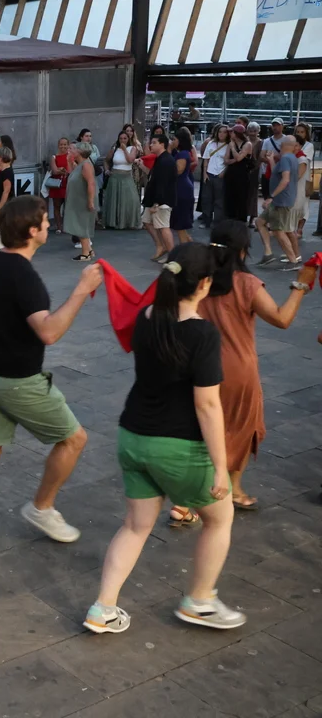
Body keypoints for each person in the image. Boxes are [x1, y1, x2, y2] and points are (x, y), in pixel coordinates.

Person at [84, 242, 245, 634]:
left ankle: (103, 608)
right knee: (220, 518)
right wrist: (220, 467)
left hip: (133, 437)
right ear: (204, 284)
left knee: (136, 525)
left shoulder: (148, 316)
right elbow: (208, 405)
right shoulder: (202, 334)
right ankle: (199, 600)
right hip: (177, 446)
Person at [0, 195, 102, 549]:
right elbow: (49, 332)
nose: (49, 224)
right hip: (17, 382)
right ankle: (42, 507)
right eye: (44, 221)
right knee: (74, 439)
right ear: (31, 231)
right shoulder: (24, 276)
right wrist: (81, 290)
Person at [161, 222, 314, 523]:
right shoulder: (247, 283)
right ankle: (233, 488)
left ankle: (183, 501)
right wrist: (300, 285)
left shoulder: (199, 280)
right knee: (243, 428)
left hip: (197, 366)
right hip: (238, 369)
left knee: (199, 429)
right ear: (243, 250)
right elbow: (282, 319)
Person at [256, 135, 301, 268]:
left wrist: (271, 196)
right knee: (260, 222)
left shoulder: (286, 158)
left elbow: (285, 179)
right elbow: (278, 173)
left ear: (282, 145)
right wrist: (271, 160)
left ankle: (293, 261)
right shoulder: (290, 158)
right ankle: (268, 253)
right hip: (281, 200)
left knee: (278, 231)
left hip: (281, 200)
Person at [141, 133, 177, 262]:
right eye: (151, 142)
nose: (151, 145)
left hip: (162, 201)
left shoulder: (166, 160)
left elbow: (163, 184)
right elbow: (154, 178)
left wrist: (157, 203)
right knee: (147, 221)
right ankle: (161, 246)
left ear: (162, 144)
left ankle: (172, 256)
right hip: (154, 199)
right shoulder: (160, 159)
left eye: (154, 143)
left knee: (163, 227)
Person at [63, 143, 97, 260]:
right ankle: (89, 250)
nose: (70, 150)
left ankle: (85, 253)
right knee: (79, 224)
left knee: (81, 225)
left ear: (80, 152)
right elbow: (71, 174)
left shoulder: (86, 165)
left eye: (74, 149)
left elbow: (91, 183)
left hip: (83, 199)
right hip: (77, 199)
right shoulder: (80, 165)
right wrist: (69, 161)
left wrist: (90, 201)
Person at [103, 131, 141, 231]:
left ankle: (127, 222)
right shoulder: (114, 149)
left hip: (126, 176)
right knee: (114, 200)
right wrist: (106, 170)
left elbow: (130, 160)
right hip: (115, 177)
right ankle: (113, 222)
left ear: (128, 139)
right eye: (121, 138)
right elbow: (106, 160)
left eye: (125, 138)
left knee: (131, 199)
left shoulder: (133, 148)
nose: (123, 140)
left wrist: (124, 150)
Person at [199, 125, 230, 228]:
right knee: (207, 199)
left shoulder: (229, 145)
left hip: (220, 174)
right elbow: (206, 159)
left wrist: (224, 172)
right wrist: (205, 173)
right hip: (209, 173)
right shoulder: (211, 143)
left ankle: (217, 222)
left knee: (219, 200)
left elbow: (228, 162)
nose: (222, 134)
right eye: (220, 132)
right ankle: (206, 221)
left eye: (224, 132)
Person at [224, 124, 254, 225]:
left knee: (242, 198)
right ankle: (230, 218)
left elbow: (239, 158)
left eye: (232, 132)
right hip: (231, 173)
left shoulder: (247, 144)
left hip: (242, 175)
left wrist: (233, 148)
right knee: (230, 197)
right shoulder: (230, 143)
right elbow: (226, 160)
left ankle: (241, 220)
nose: (230, 134)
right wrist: (235, 159)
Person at [171, 128, 196, 243]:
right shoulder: (181, 153)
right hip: (182, 187)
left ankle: (184, 248)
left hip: (182, 189)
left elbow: (178, 171)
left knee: (180, 224)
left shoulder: (182, 154)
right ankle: (189, 244)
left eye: (175, 139)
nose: (173, 142)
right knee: (180, 225)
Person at [48, 137, 71, 234]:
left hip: (68, 183)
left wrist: (61, 170)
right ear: (58, 145)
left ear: (68, 145)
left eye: (65, 144)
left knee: (68, 206)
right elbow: (54, 171)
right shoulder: (54, 157)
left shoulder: (70, 156)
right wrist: (62, 171)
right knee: (56, 206)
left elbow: (71, 169)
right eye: (61, 144)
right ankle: (58, 226)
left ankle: (67, 226)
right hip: (57, 184)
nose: (63, 146)